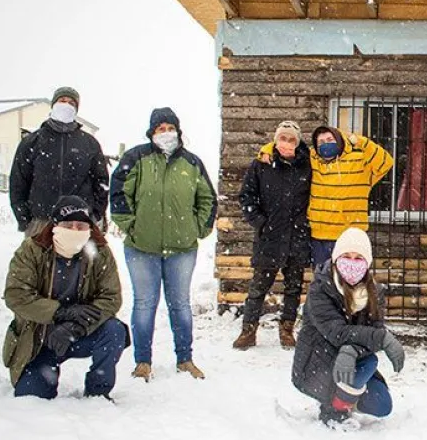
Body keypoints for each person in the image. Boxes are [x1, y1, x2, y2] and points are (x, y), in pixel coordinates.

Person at [110, 107, 217, 382]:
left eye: (170, 128)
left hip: (181, 249)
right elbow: (119, 193)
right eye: (160, 129)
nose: (166, 133)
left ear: (178, 131)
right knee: (145, 303)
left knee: (179, 304)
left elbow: (207, 198)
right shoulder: (136, 157)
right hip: (141, 247)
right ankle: (142, 362)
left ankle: (185, 359)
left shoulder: (191, 163)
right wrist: (130, 225)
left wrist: (198, 228)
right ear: (152, 133)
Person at [3, 196, 128, 400]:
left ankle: (98, 391)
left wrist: (76, 326)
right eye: (68, 225)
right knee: (32, 398)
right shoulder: (31, 250)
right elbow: (16, 295)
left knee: (114, 331)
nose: (75, 230)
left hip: (80, 333)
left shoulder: (100, 252)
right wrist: (60, 312)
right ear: (54, 225)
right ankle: (42, 374)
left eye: (81, 225)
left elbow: (111, 298)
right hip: (40, 339)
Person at [291, 227, 406, 428]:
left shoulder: (374, 292)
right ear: (336, 258)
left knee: (381, 405)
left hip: (353, 361)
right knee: (369, 360)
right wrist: (383, 338)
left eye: (358, 258)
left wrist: (351, 349)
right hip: (318, 362)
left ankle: (346, 394)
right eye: (346, 256)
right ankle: (334, 407)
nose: (352, 263)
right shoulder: (320, 288)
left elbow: (373, 328)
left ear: (367, 263)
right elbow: (336, 332)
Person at [232, 121, 311, 350]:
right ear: (275, 140)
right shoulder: (261, 163)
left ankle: (287, 330)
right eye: (283, 138)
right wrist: (259, 222)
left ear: (298, 142)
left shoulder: (307, 165)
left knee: (293, 288)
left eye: (291, 139)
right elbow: (247, 196)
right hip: (269, 238)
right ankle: (248, 331)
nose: (286, 143)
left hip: (297, 238)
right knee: (258, 288)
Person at [9, 87, 109, 236]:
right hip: (40, 223)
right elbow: (18, 183)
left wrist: (95, 215)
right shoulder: (32, 142)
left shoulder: (89, 143)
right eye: (62, 101)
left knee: (79, 260)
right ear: (53, 105)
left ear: (76, 109)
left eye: (71, 103)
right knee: (37, 260)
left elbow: (101, 183)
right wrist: (25, 220)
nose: (66, 105)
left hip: (78, 224)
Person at [307, 126, 393, 269]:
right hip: (320, 236)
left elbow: (386, 162)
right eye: (320, 142)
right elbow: (288, 149)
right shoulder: (313, 161)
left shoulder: (360, 161)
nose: (325, 144)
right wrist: (267, 150)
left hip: (351, 236)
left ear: (340, 140)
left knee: (350, 281)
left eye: (330, 139)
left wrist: (362, 142)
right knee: (323, 281)